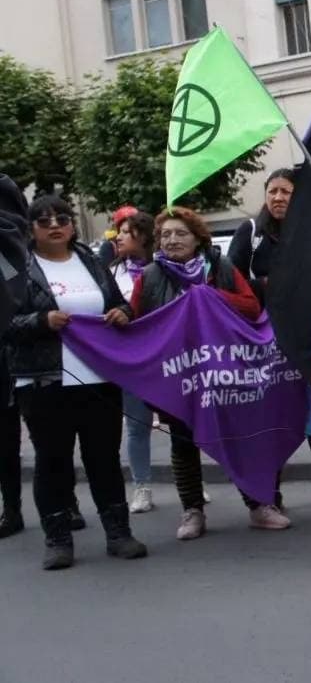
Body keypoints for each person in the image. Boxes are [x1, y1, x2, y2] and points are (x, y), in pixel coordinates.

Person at [5, 195, 147, 569]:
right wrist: (40, 321)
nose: (55, 224)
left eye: (62, 218)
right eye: (44, 219)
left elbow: (120, 303)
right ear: (30, 227)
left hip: (98, 376)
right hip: (44, 380)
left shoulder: (90, 258)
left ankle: (119, 533)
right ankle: (58, 540)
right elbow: (5, 323)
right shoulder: (14, 265)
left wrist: (122, 312)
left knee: (103, 457)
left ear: (71, 224)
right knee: (53, 461)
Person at [130, 206, 285, 539]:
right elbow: (137, 323)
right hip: (179, 376)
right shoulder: (150, 277)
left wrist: (209, 295)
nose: (172, 240)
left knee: (236, 439)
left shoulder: (221, 268)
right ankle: (193, 513)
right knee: (183, 444)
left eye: (180, 233)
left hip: (223, 374)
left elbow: (251, 307)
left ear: (198, 238)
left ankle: (259, 506)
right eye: (166, 234)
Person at [229, 168, 311, 506]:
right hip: (264, 340)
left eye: (286, 192)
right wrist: (265, 290)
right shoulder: (251, 233)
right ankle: (268, 492)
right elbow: (231, 279)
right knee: (273, 415)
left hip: (307, 334)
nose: (277, 198)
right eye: (272, 191)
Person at [110, 212, 159, 514]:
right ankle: (142, 486)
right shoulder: (110, 273)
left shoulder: (163, 269)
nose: (118, 237)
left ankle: (192, 485)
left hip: (166, 359)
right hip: (132, 363)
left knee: (183, 424)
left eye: (125, 232)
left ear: (142, 236)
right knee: (137, 426)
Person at [0, 175, 29, 540]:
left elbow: (16, 229)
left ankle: (66, 501)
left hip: (12, 314)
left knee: (44, 426)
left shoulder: (3, 185)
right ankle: (12, 507)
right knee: (3, 432)